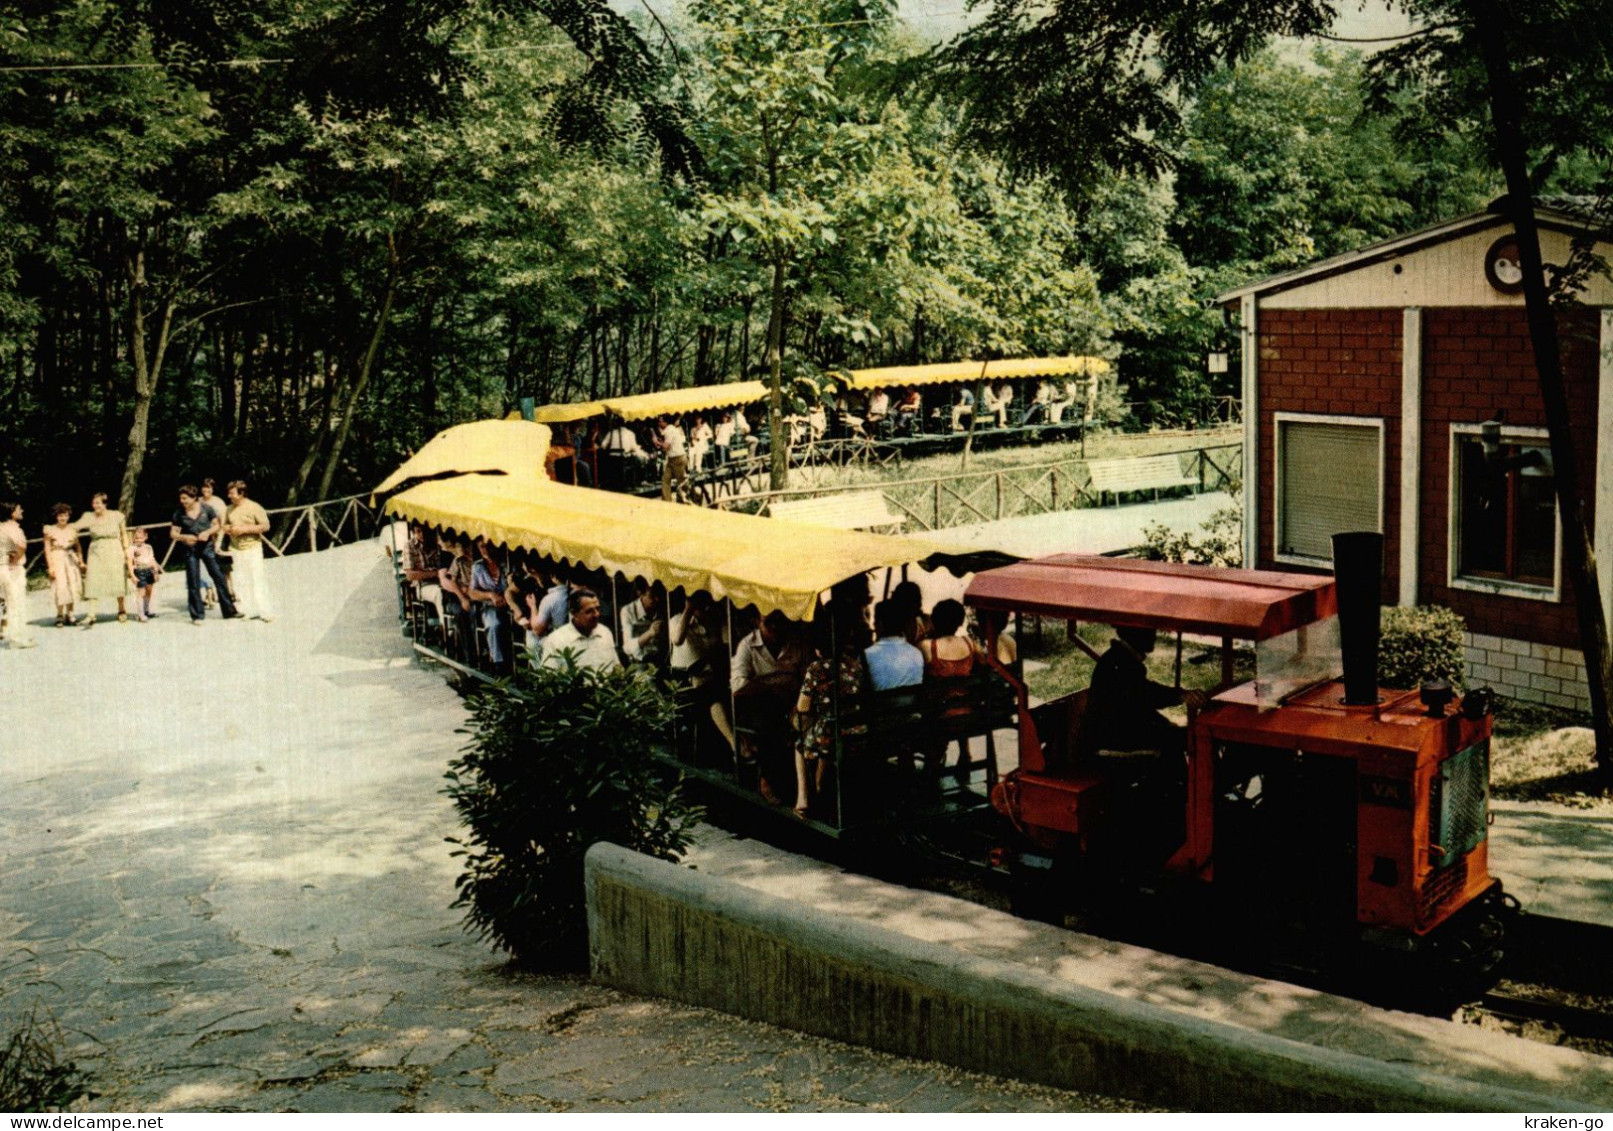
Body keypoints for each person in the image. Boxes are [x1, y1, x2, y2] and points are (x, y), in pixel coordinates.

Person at [1077, 625, 1208, 759]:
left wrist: (1165, 721)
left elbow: (1137, 703)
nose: (1155, 635)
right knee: (1188, 739)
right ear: (1135, 634)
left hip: (1116, 733)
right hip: (1110, 741)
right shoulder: (1120, 661)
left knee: (1179, 735)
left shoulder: (1118, 657)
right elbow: (1146, 694)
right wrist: (1181, 695)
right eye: (1149, 631)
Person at [791, 601, 872, 817]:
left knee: (800, 743)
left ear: (818, 648)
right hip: (858, 731)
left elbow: (802, 707)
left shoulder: (816, 668)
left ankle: (803, 798)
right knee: (823, 732)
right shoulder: (854, 664)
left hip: (831, 734)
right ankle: (820, 783)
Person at [670, 591, 735, 752]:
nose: (704, 610)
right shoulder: (677, 620)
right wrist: (688, 610)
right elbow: (677, 639)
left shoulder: (715, 620)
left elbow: (727, 647)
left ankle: (743, 744)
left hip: (711, 673)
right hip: (685, 678)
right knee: (712, 693)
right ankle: (734, 744)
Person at [169, 485, 240, 624]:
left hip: (207, 547)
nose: (182, 501)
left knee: (219, 577)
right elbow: (173, 533)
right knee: (193, 581)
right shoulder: (179, 513)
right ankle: (197, 615)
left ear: (194, 497)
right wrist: (184, 537)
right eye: (181, 498)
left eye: (185, 498)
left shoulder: (207, 508)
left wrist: (207, 533)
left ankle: (229, 611)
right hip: (190, 550)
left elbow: (217, 525)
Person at [76, 492, 133, 625]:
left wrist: (127, 550)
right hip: (96, 549)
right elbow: (74, 528)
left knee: (117, 577)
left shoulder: (116, 515)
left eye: (98, 503)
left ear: (105, 503)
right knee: (92, 579)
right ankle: (91, 614)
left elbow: (124, 534)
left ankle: (121, 609)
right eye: (94, 503)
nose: (95, 505)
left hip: (113, 547)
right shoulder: (88, 516)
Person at [223, 480, 274, 622]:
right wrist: (229, 529)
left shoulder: (254, 507)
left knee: (258, 579)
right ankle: (249, 610)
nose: (229, 496)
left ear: (242, 493)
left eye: (232, 493)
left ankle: (266, 612)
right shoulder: (229, 509)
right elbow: (225, 524)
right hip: (236, 549)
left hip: (253, 548)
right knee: (242, 581)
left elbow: (265, 526)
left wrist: (244, 530)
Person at [540, 587, 621, 671]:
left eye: (597, 608)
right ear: (574, 613)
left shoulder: (605, 633)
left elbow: (617, 667)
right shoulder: (556, 640)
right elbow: (548, 678)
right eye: (589, 611)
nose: (596, 614)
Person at [467, 539, 510, 668]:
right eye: (482, 547)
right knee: (494, 624)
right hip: (489, 606)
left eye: (488, 546)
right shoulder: (478, 567)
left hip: (509, 604)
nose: (485, 550)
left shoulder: (505, 564)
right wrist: (490, 595)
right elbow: (472, 592)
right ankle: (498, 662)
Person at [864, 599, 923, 691]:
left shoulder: (867, 655)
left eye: (875, 621)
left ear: (880, 624)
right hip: (912, 705)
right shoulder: (917, 654)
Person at [43, 503, 84, 627]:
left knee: (71, 584)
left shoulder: (72, 529)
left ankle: (70, 614)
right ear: (56, 516)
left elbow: (78, 546)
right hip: (57, 558)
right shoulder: (49, 529)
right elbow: (47, 549)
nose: (63, 518)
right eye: (60, 515)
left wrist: (81, 561)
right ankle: (59, 614)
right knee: (60, 586)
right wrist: (50, 566)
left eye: (65, 515)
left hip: (70, 559)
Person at [0, 501, 35, 648]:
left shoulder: (2, 527)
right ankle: (17, 639)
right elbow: (20, 546)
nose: (22, 511)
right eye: (19, 509)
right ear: (12, 512)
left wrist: (9, 556)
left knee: (11, 602)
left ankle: (18, 635)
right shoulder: (12, 529)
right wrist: (14, 559)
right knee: (16, 603)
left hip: (3, 567)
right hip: (11, 569)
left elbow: (6, 545)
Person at [436, 535, 477, 658]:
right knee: (460, 612)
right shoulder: (447, 557)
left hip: (474, 593)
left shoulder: (474, 559)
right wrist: (462, 595)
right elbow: (446, 581)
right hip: (455, 596)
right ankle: (469, 653)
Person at [197, 479, 232, 606]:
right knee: (208, 567)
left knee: (224, 567)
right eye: (204, 488)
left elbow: (223, 521)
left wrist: (219, 539)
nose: (206, 491)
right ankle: (210, 593)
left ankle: (230, 591)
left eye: (209, 488)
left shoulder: (218, 502)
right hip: (205, 537)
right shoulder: (199, 501)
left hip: (219, 535)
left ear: (213, 489)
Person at [619, 578, 668, 667]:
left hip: (660, 662)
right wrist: (649, 634)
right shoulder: (628, 611)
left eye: (658, 595)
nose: (656, 599)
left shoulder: (662, 608)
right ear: (640, 593)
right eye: (652, 596)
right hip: (638, 664)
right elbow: (627, 647)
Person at [126, 526, 161, 622]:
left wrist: (155, 571)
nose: (139, 540)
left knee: (149, 591)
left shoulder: (149, 547)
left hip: (149, 571)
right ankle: (140, 614)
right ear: (133, 538)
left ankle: (147, 610)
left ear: (146, 537)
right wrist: (132, 576)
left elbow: (152, 560)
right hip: (139, 571)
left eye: (141, 538)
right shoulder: (132, 549)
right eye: (136, 538)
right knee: (141, 592)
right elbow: (129, 563)